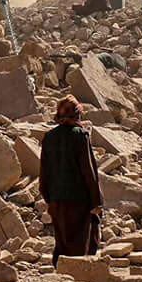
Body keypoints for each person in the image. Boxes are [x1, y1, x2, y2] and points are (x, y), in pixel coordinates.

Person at [39, 96, 102, 266]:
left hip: (56, 199)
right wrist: (96, 201)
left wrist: (48, 197)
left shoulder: (49, 137)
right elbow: (88, 171)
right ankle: (77, 279)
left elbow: (44, 171)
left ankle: (61, 273)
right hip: (79, 200)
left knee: (62, 241)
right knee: (80, 242)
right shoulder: (80, 135)